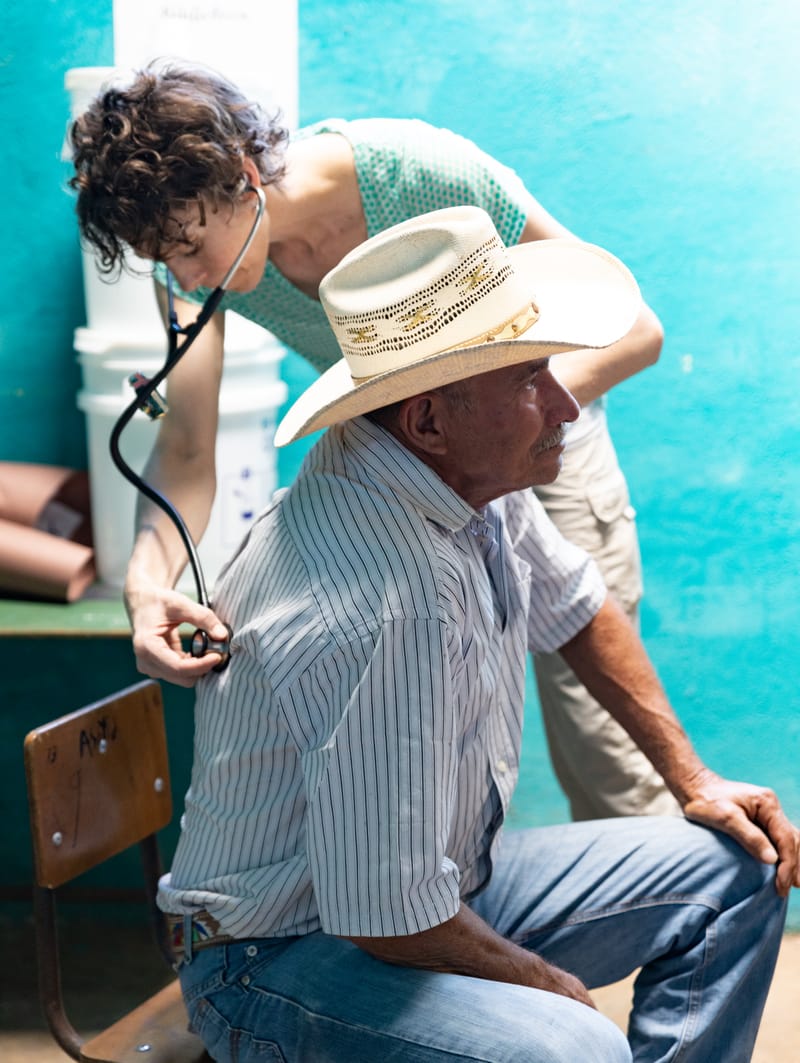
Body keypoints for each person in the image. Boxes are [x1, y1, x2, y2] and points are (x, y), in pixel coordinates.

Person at [155, 206, 798, 1063]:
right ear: (427, 420)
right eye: (531, 378)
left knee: (739, 867)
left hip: (441, 889)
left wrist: (694, 778)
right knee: (574, 1045)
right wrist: (549, 986)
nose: (567, 403)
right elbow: (392, 917)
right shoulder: (393, 593)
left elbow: (576, 607)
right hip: (274, 961)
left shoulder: (452, 474)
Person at [69, 60, 675, 821]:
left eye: (191, 247)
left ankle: (655, 901)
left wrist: (490, 428)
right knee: (420, 715)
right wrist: (144, 584)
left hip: (543, 429)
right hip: (420, 457)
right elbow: (188, 453)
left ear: (243, 174)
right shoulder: (196, 270)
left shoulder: (417, 172)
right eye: (169, 262)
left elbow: (636, 332)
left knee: (601, 736)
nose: (189, 275)